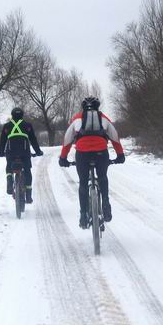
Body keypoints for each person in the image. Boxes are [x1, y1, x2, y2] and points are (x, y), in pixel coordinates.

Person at [58, 96, 125, 228]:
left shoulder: (76, 118)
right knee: (102, 177)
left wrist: (63, 158)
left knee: (83, 182)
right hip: (101, 153)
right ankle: (105, 204)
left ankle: (83, 215)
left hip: (82, 154)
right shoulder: (104, 118)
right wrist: (120, 155)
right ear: (97, 107)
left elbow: (67, 139)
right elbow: (114, 137)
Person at [0, 107, 43, 203]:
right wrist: (38, 151)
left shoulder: (6, 126)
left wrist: (1, 152)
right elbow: (33, 140)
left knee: (9, 166)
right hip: (24, 152)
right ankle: (28, 195)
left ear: (12, 115)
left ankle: (10, 182)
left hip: (11, 151)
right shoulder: (27, 125)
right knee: (27, 170)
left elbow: (3, 141)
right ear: (22, 115)